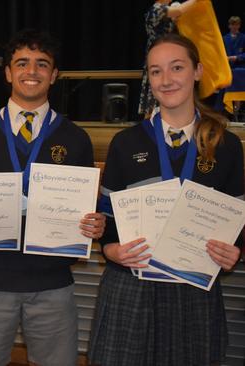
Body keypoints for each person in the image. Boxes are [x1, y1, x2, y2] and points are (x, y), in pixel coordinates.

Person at [0, 29, 106, 366]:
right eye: (22, 63)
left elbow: (87, 208)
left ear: (54, 75)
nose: (32, 71)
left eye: (42, 64)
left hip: (52, 283)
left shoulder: (76, 139)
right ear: (8, 72)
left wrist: (94, 223)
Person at [88, 33, 243, 366]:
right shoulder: (125, 143)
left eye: (177, 67)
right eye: (156, 71)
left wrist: (234, 252)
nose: (166, 79)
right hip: (132, 285)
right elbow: (109, 228)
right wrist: (112, 250)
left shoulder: (226, 146)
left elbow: (237, 228)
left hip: (194, 291)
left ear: (198, 71)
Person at [139, 0, 197, 115]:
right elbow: (180, 10)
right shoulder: (157, 9)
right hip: (159, 54)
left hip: (168, 54)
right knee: (156, 93)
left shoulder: (166, 11)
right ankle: (151, 127)